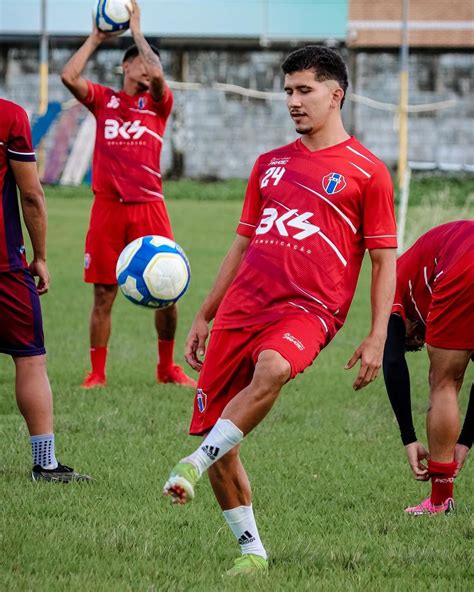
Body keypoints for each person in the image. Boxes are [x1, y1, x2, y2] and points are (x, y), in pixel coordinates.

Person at [163, 45, 398, 576]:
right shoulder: (268, 166)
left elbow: (386, 260)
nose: (292, 101)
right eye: (288, 91)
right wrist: (204, 313)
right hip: (242, 307)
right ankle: (252, 553)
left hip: (310, 309)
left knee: (273, 368)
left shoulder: (367, 173)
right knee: (223, 446)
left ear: (336, 95)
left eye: (304, 90)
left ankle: (192, 465)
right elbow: (242, 245)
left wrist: (377, 335)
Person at [61, 0, 196, 389]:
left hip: (149, 207)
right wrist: (97, 37)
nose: (147, 66)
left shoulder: (157, 104)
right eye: (139, 60)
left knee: (169, 290)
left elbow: (157, 74)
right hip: (107, 209)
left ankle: (166, 368)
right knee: (103, 295)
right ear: (125, 66)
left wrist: (138, 30)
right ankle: (97, 374)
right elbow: (69, 75)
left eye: (150, 61)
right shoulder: (105, 101)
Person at [0, 98, 91, 482]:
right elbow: (32, 194)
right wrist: (40, 256)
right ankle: (45, 463)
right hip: (4, 265)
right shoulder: (9, 116)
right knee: (30, 359)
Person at [383, 220, 473, 515]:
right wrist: (464, 442)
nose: (419, 338)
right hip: (462, 252)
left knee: (443, 381)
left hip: (464, 265)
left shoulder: (390, 282)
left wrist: (408, 438)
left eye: (413, 338)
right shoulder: (419, 283)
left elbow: (393, 361)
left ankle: (438, 501)